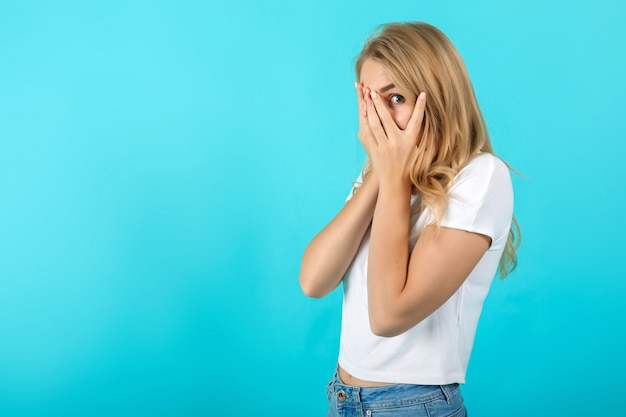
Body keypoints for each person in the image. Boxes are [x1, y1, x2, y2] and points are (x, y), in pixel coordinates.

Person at [299, 22, 520, 417]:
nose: (381, 116)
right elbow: (314, 281)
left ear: (435, 98)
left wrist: (393, 177)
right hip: (343, 397)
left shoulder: (480, 176)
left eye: (396, 97)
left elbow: (388, 315)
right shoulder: (383, 177)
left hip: (413, 405)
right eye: (371, 100)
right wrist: (382, 175)